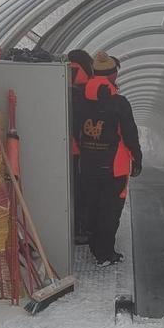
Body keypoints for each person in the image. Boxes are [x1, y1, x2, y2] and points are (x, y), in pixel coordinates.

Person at [73, 51, 142, 265]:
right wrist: (137, 160)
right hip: (114, 167)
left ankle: (96, 248)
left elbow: (76, 131)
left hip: (88, 165)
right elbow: (130, 134)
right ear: (112, 75)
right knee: (110, 211)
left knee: (92, 206)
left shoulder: (79, 99)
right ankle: (105, 254)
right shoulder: (119, 103)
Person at [67, 49, 94, 243]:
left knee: (70, 190)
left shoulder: (63, 80)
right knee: (82, 190)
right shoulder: (87, 87)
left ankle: (73, 228)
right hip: (81, 149)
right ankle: (80, 229)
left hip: (63, 147)